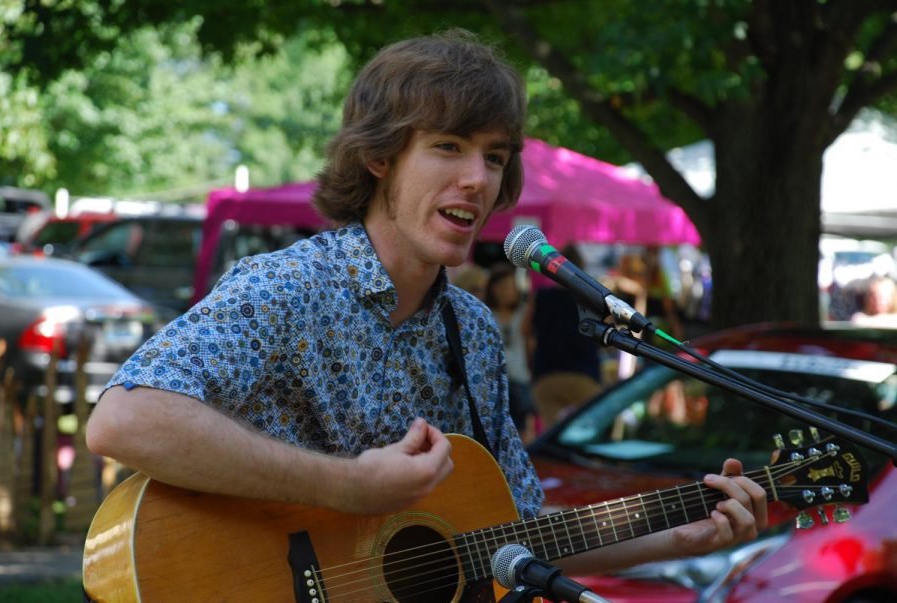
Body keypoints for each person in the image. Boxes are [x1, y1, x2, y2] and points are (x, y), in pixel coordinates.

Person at [87, 29, 766, 581]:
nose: (477, 179)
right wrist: (347, 487)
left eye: (495, 157)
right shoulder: (288, 287)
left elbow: (513, 532)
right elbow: (123, 419)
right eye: (448, 147)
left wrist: (675, 536)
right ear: (380, 157)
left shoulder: (469, 328)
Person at [522, 243, 604, 428]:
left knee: (553, 436)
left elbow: (525, 331)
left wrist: (530, 360)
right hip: (585, 375)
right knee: (586, 434)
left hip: (546, 375)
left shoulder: (541, 296)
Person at [485, 261, 537, 444]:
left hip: (521, 377)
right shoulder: (484, 313)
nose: (506, 291)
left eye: (510, 286)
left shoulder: (525, 312)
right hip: (494, 379)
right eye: (501, 287)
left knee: (521, 431)